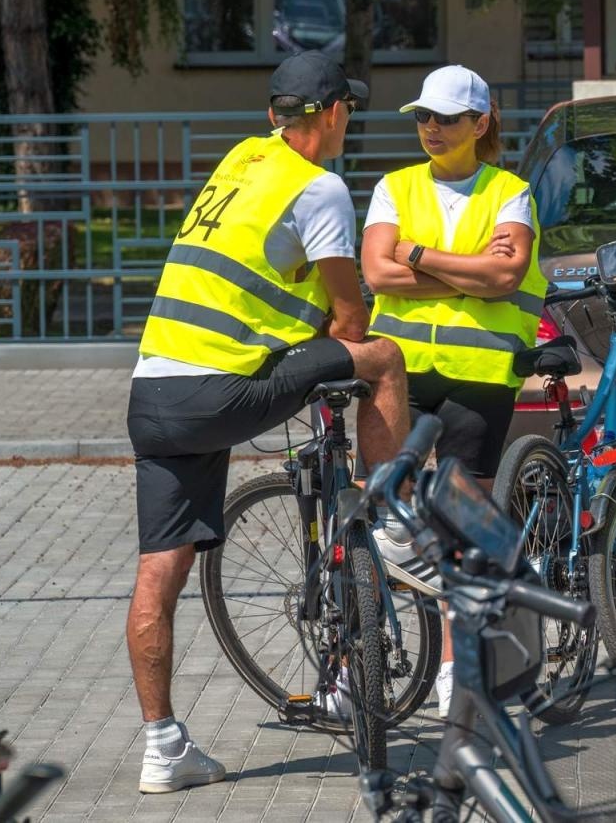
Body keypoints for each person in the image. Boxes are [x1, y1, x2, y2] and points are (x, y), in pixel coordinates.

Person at [125, 50, 410, 794]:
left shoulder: (244, 158)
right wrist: (331, 326)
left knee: (160, 571)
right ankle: (390, 522)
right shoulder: (320, 188)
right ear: (332, 113)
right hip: (224, 390)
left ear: (273, 115)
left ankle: (162, 749)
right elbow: (349, 319)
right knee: (380, 359)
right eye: (347, 107)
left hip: (154, 393)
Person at [360, 64, 547, 717]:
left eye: (444, 118)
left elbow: (507, 275)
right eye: (422, 117)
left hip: (478, 379)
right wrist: (468, 273)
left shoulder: (510, 192)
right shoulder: (395, 186)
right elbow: (375, 274)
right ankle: (362, 660)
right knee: (391, 523)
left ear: (481, 121)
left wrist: (417, 255)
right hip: (399, 374)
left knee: (460, 531)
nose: (431, 129)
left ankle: (452, 670)